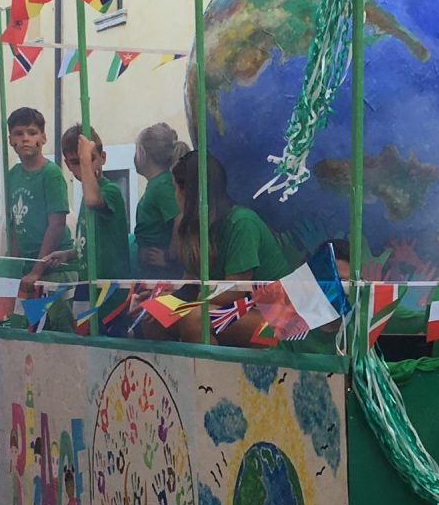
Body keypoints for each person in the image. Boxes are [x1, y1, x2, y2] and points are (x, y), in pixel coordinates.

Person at [149, 152, 288, 346]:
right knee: (153, 318)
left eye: (175, 188)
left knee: (196, 319)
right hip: (237, 312)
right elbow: (189, 280)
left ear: (186, 192)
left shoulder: (242, 223)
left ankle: (209, 376)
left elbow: (233, 292)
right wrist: (157, 300)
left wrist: (179, 299)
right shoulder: (195, 229)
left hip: (279, 318)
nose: (174, 196)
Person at [5, 107, 75, 332]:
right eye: (18, 133)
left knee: (57, 331)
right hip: (27, 273)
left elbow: (57, 223)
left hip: (54, 268)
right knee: (25, 330)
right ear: (11, 140)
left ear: (43, 138)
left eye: (32, 132)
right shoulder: (12, 175)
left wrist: (38, 268)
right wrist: (15, 266)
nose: (25, 138)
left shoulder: (51, 174)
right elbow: (14, 224)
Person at [59, 124, 131, 335]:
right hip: (86, 286)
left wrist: (85, 162)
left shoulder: (110, 191)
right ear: (68, 165)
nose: (83, 167)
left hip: (109, 293)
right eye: (76, 162)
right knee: (83, 348)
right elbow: (91, 241)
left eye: (89, 159)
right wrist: (69, 253)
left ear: (102, 158)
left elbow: (93, 199)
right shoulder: (84, 197)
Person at [133, 123, 190, 279]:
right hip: (154, 272)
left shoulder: (162, 185)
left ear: (141, 152)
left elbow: (180, 217)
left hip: (163, 274)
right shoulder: (157, 184)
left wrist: (169, 255)